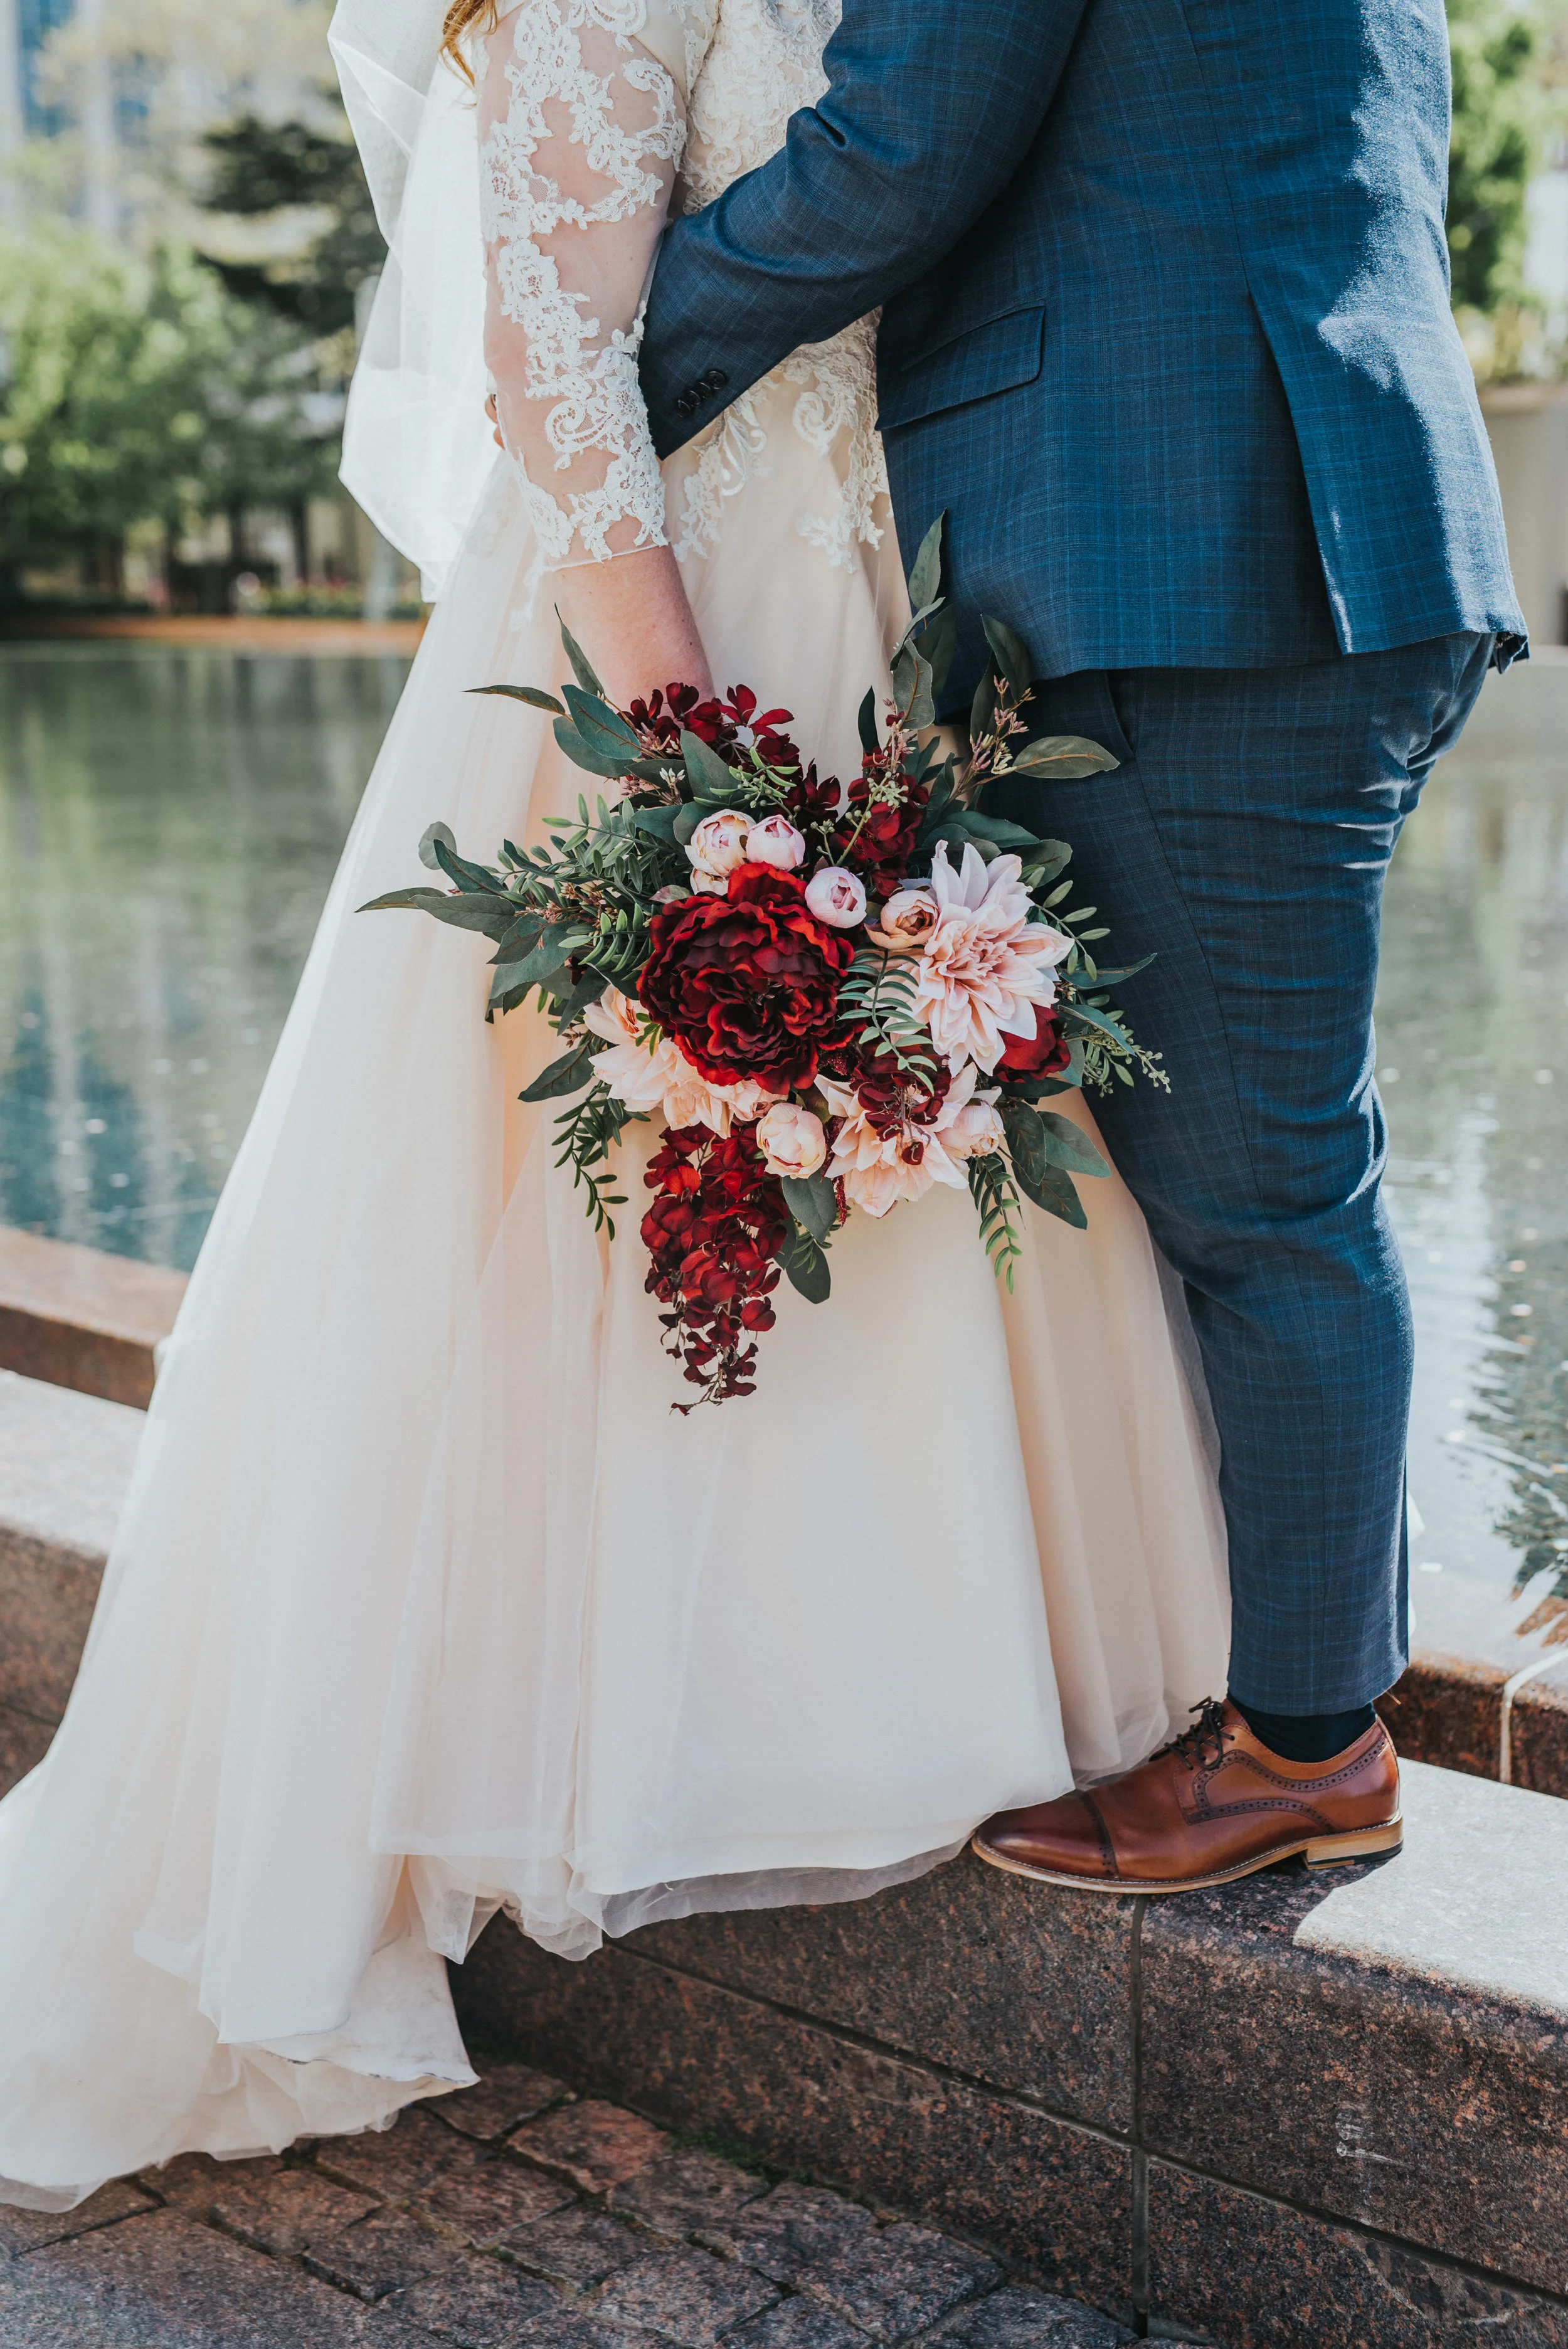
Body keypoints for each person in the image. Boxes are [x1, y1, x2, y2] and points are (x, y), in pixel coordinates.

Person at [0, 0, 1236, 2212]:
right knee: (642, 1187)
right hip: (678, 641)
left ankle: (876, 1686)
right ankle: (580, 1756)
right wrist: (690, 773)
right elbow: (555, 370)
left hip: (884, 614)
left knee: (891, 1174)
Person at [633, 0, 1523, 1890]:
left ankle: (1305, 1744)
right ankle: (1284, 1693)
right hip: (1289, 512)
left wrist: (590, 385)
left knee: (1264, 1194)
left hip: (1184, 548)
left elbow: (902, 144)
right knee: (1265, 1173)